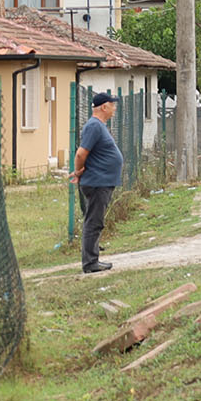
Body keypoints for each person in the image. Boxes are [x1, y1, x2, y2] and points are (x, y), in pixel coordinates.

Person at [68, 91, 123, 274]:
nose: (114, 108)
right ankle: (90, 263)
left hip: (102, 181)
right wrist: (78, 171)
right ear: (104, 107)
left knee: (95, 221)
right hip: (97, 182)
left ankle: (93, 259)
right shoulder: (94, 126)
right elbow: (81, 153)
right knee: (93, 222)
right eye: (112, 105)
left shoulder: (98, 126)